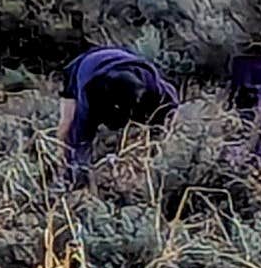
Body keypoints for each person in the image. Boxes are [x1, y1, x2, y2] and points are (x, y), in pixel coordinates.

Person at [62, 45, 180, 186]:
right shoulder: (89, 98)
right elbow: (80, 137)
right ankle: (62, 173)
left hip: (123, 58)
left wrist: (164, 136)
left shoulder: (150, 83)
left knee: (150, 130)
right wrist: (78, 171)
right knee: (66, 128)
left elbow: (172, 104)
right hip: (83, 66)